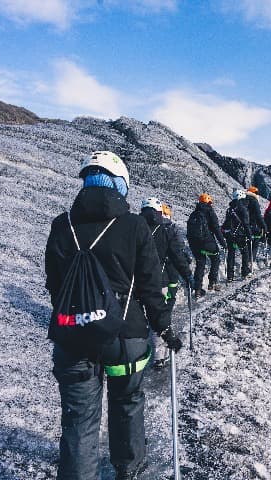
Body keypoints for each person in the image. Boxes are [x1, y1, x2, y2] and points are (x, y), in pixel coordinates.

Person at [45, 151, 182, 480]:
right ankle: (129, 468)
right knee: (128, 402)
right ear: (120, 184)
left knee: (78, 419)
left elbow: (55, 285)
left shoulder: (62, 225)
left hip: (75, 336)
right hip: (126, 336)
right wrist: (164, 329)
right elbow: (151, 285)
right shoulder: (134, 225)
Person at [140, 197, 193, 370]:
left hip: (133, 284)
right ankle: (159, 357)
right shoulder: (165, 230)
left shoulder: (133, 227)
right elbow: (177, 256)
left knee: (138, 318)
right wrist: (187, 275)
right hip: (158, 280)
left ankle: (137, 353)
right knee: (159, 317)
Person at [186, 193, 226, 298]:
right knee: (216, 258)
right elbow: (216, 229)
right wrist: (223, 243)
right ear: (209, 202)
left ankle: (198, 289)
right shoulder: (210, 212)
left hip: (194, 244)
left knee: (200, 263)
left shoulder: (194, 213)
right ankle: (212, 283)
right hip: (207, 243)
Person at [222, 189, 252, 281]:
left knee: (231, 254)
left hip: (230, 234)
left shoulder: (230, 209)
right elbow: (246, 223)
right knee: (245, 253)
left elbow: (227, 222)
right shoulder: (243, 208)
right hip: (240, 234)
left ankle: (230, 276)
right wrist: (249, 235)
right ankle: (245, 273)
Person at [245, 186, 267, 268]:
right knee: (255, 244)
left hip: (245, 226)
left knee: (247, 245)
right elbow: (258, 216)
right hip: (253, 226)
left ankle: (245, 263)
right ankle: (251, 263)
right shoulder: (254, 201)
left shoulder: (243, 200)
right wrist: (264, 226)